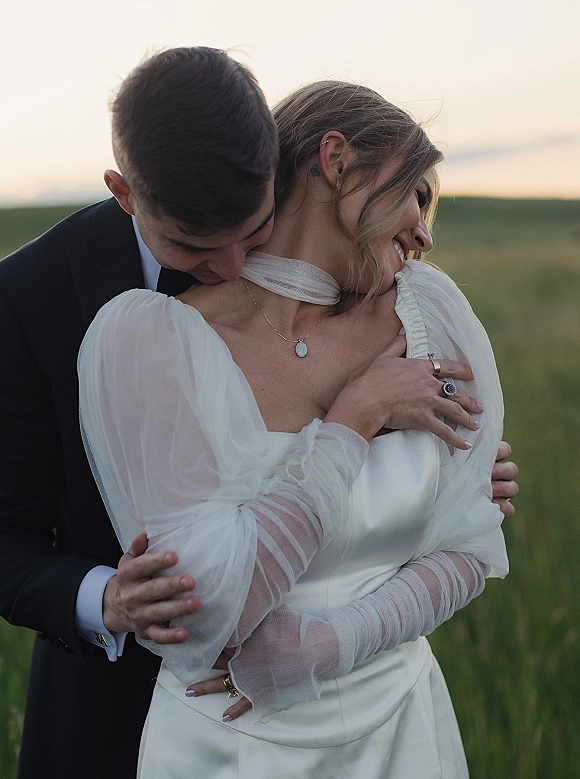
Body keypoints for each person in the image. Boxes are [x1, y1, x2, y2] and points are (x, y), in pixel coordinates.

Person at [0, 48, 516, 778]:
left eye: (255, 227)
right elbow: (8, 535)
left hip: (391, 722)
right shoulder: (49, 303)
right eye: (193, 248)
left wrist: (448, 477)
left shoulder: (415, 309)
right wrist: (108, 599)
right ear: (125, 194)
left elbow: (467, 534)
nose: (232, 266)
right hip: (148, 711)